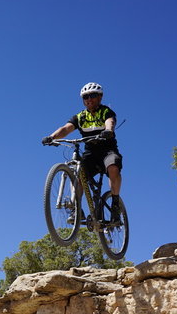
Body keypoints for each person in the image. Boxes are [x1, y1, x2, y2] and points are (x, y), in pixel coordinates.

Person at [42, 82, 123, 219]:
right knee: (79, 176)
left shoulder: (105, 112)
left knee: (113, 168)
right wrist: (52, 137)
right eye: (85, 97)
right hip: (90, 153)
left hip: (107, 151)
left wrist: (108, 130)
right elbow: (66, 129)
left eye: (92, 95)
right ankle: (76, 209)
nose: (89, 99)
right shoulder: (80, 117)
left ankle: (115, 203)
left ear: (100, 97)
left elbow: (110, 121)